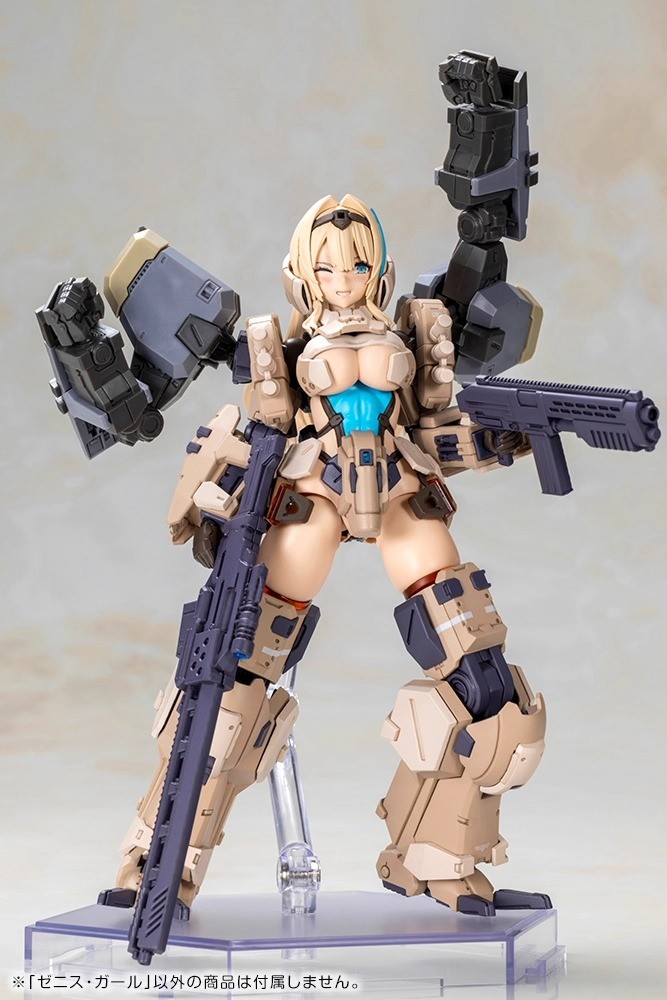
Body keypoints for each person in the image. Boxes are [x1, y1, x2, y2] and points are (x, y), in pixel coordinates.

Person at [114, 193, 549, 917]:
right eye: (325, 266)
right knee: (226, 689)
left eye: (357, 264)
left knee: (486, 687)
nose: (342, 278)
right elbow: (241, 433)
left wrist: (500, 437)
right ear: (301, 272)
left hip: (402, 495)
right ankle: (159, 863)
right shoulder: (273, 351)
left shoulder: (418, 332)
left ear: (379, 269)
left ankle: (438, 859)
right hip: (309, 503)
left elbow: (437, 430)